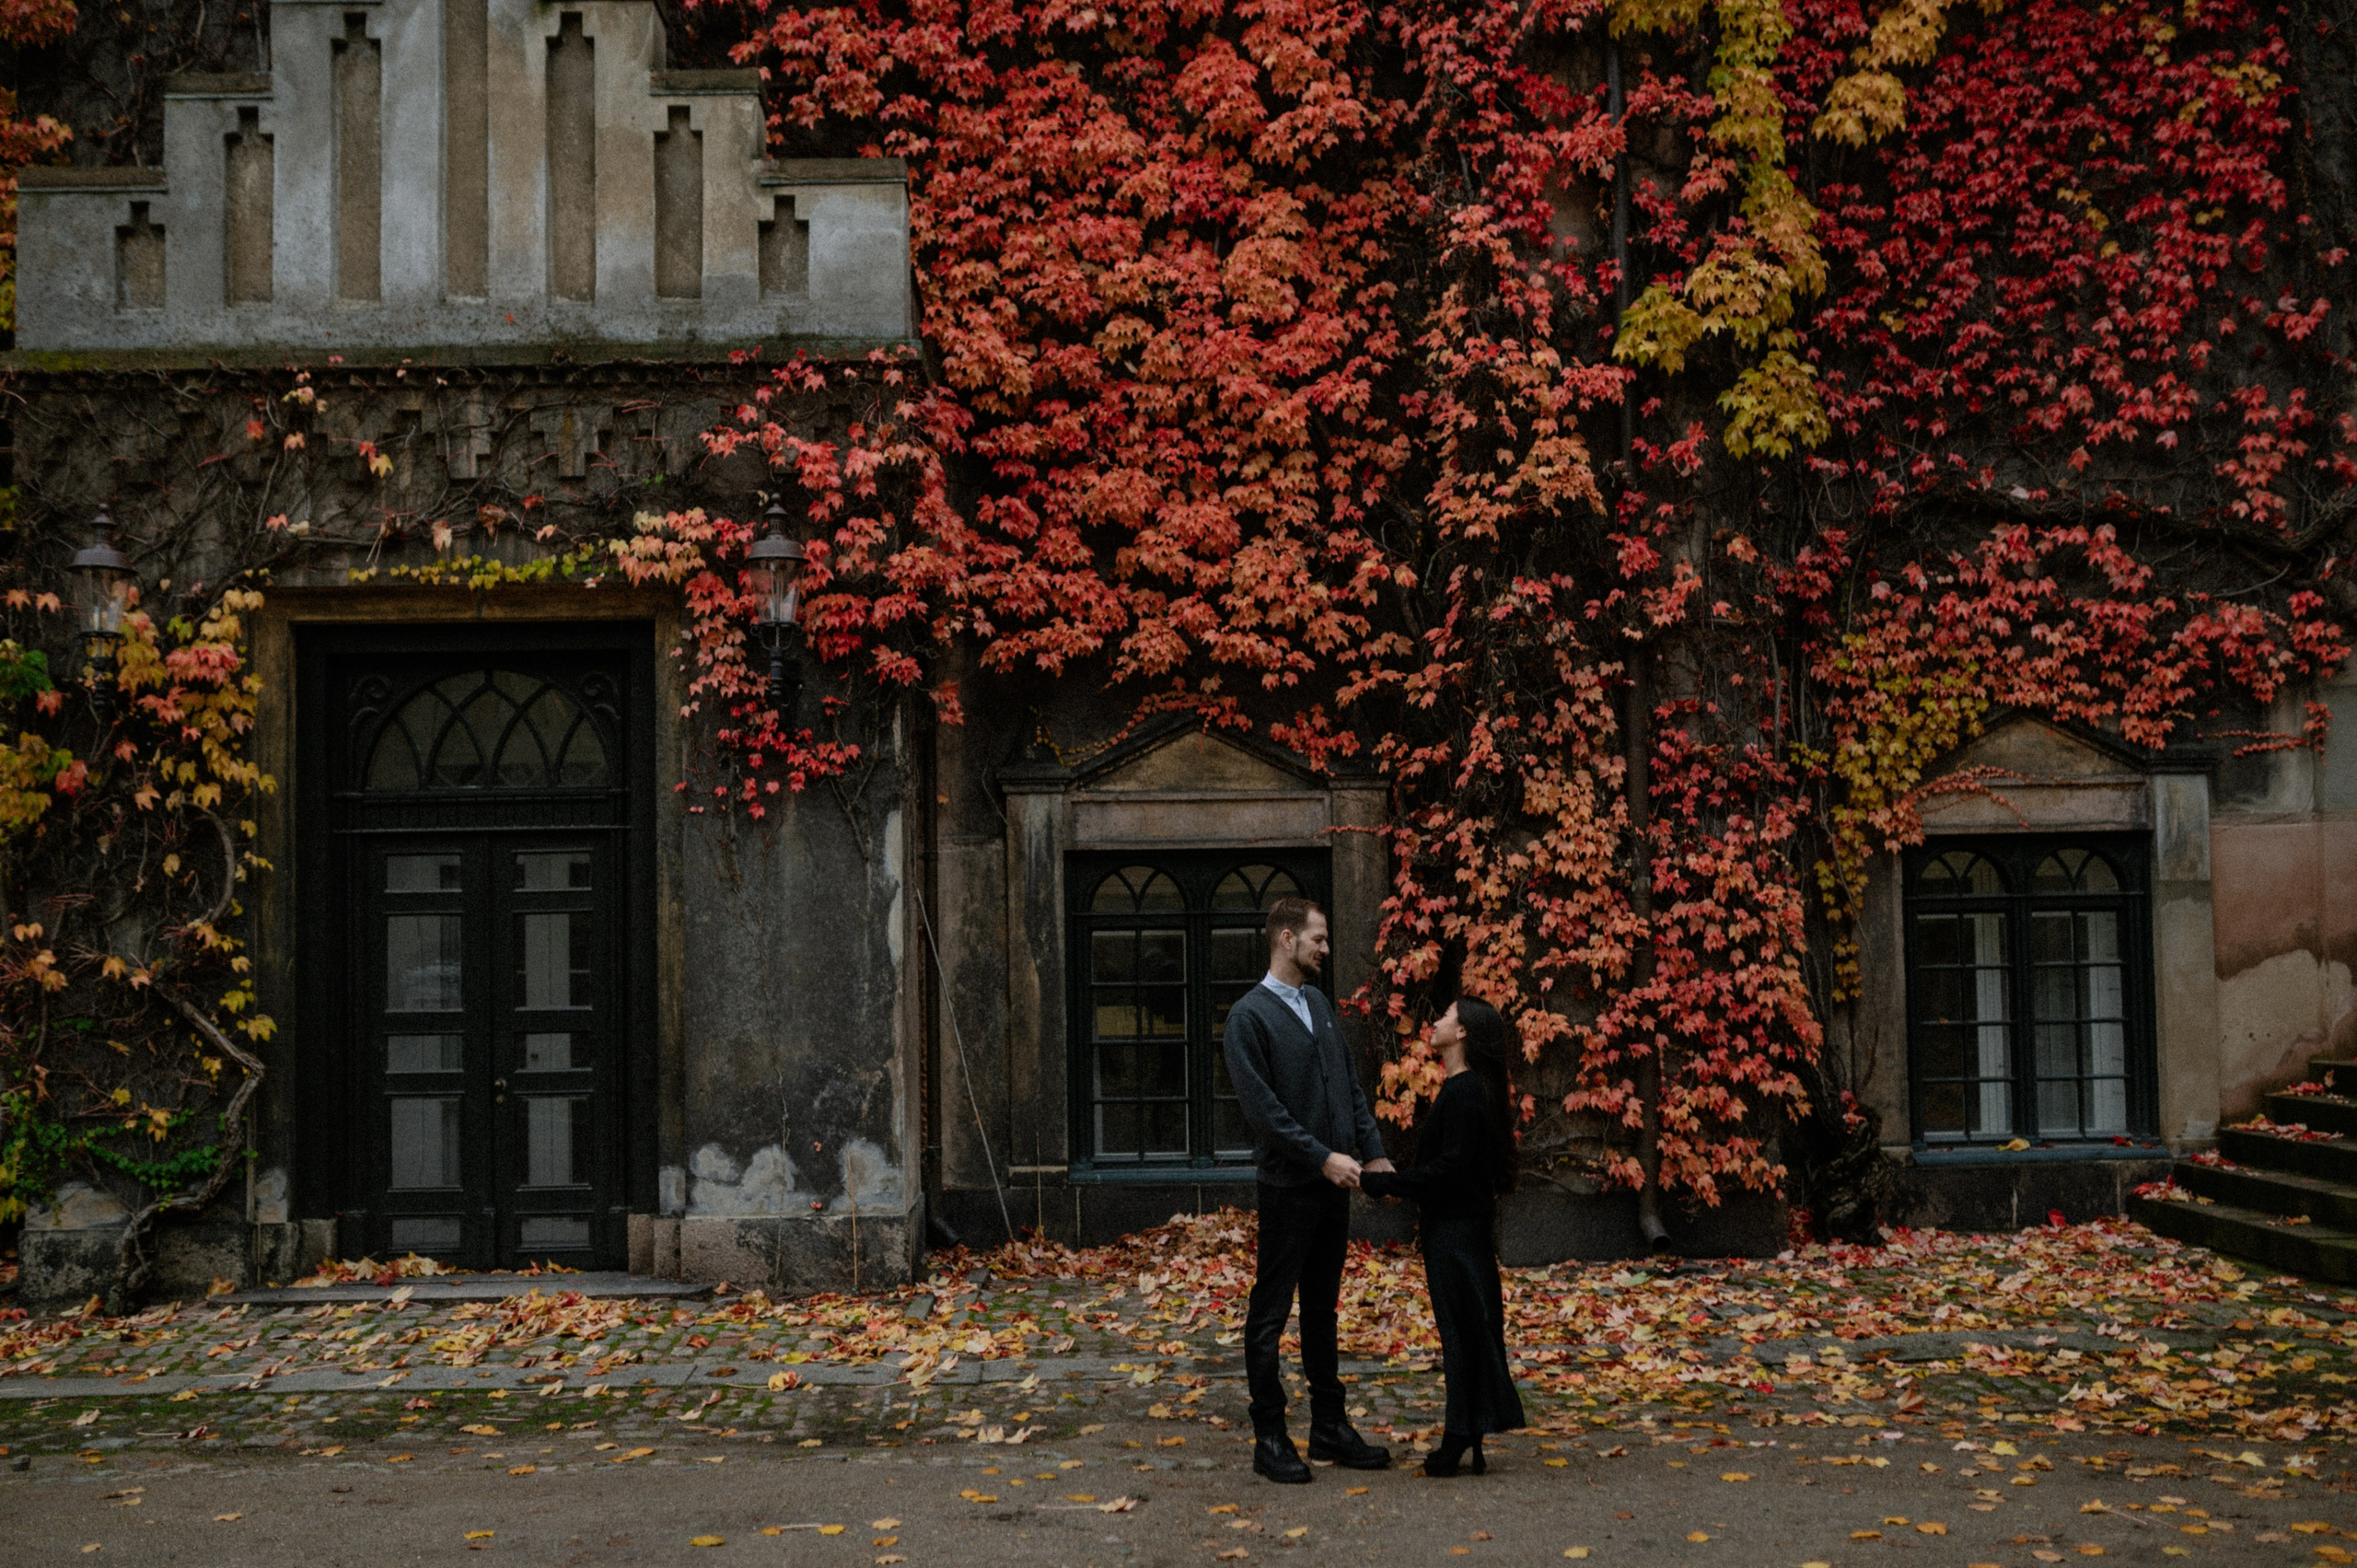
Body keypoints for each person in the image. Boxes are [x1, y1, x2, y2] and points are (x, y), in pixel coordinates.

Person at [1223, 895, 1397, 1484]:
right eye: (1317, 939)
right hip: (1288, 1188)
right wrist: (1324, 1158)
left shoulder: (1318, 1004)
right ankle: (1269, 1437)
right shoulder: (1248, 1018)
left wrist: (1372, 1153)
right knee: (1270, 1314)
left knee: (1322, 1310)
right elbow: (1264, 1113)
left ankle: (1329, 1427)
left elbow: (1348, 1085)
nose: (1326, 948)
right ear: (1286, 940)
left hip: (1334, 1189)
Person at [1362, 997, 1527, 1477]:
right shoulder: (1468, 1089)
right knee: (1469, 1329)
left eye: (1448, 1016)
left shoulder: (1465, 1091)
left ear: (1464, 1034)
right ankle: (1467, 1430)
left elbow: (1451, 1171)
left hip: (1454, 1232)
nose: (1436, 1022)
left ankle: (1461, 1435)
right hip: (1460, 1229)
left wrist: (1387, 1182)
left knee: (1461, 1332)